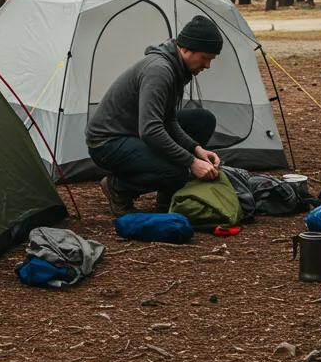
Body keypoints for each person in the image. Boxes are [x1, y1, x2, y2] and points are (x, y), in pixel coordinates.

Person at [86, 14, 224, 213]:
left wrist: (195, 149)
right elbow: (151, 130)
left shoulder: (178, 68)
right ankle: (118, 188)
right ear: (185, 49)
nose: (207, 65)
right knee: (178, 171)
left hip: (134, 132)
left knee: (202, 120)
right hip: (108, 143)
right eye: (205, 58)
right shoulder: (159, 71)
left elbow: (168, 120)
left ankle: (167, 196)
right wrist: (191, 162)